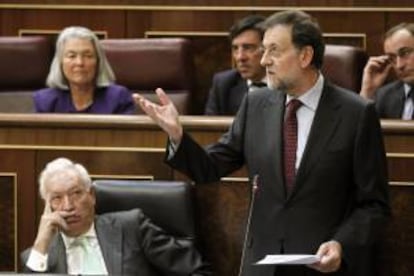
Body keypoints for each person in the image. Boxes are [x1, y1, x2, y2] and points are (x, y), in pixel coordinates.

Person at [133, 10, 391, 276]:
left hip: (324, 267)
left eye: (273, 51)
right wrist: (177, 135)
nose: (264, 60)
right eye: (264, 50)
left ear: (305, 56)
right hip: (262, 265)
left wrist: (341, 245)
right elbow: (209, 167)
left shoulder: (356, 114)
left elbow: (374, 205)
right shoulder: (256, 103)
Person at [21, 157, 210, 275]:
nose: (68, 206)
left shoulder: (131, 227)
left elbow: (195, 270)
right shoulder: (37, 257)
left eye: (76, 193)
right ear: (48, 207)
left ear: (92, 196)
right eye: (56, 198)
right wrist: (41, 243)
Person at [33, 26, 136, 114]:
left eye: (88, 56)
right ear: (60, 62)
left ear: (98, 61)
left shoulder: (117, 98)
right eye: (71, 56)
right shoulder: (46, 101)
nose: (80, 63)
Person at [204, 14, 267, 115]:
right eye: (235, 49)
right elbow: (210, 128)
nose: (240, 57)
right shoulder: (223, 84)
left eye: (248, 48)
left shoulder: (285, 83)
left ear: (267, 49)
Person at [360, 22, 414, 119]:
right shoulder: (384, 96)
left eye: (405, 53)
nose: (399, 65)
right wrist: (368, 91)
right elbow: (355, 131)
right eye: (392, 58)